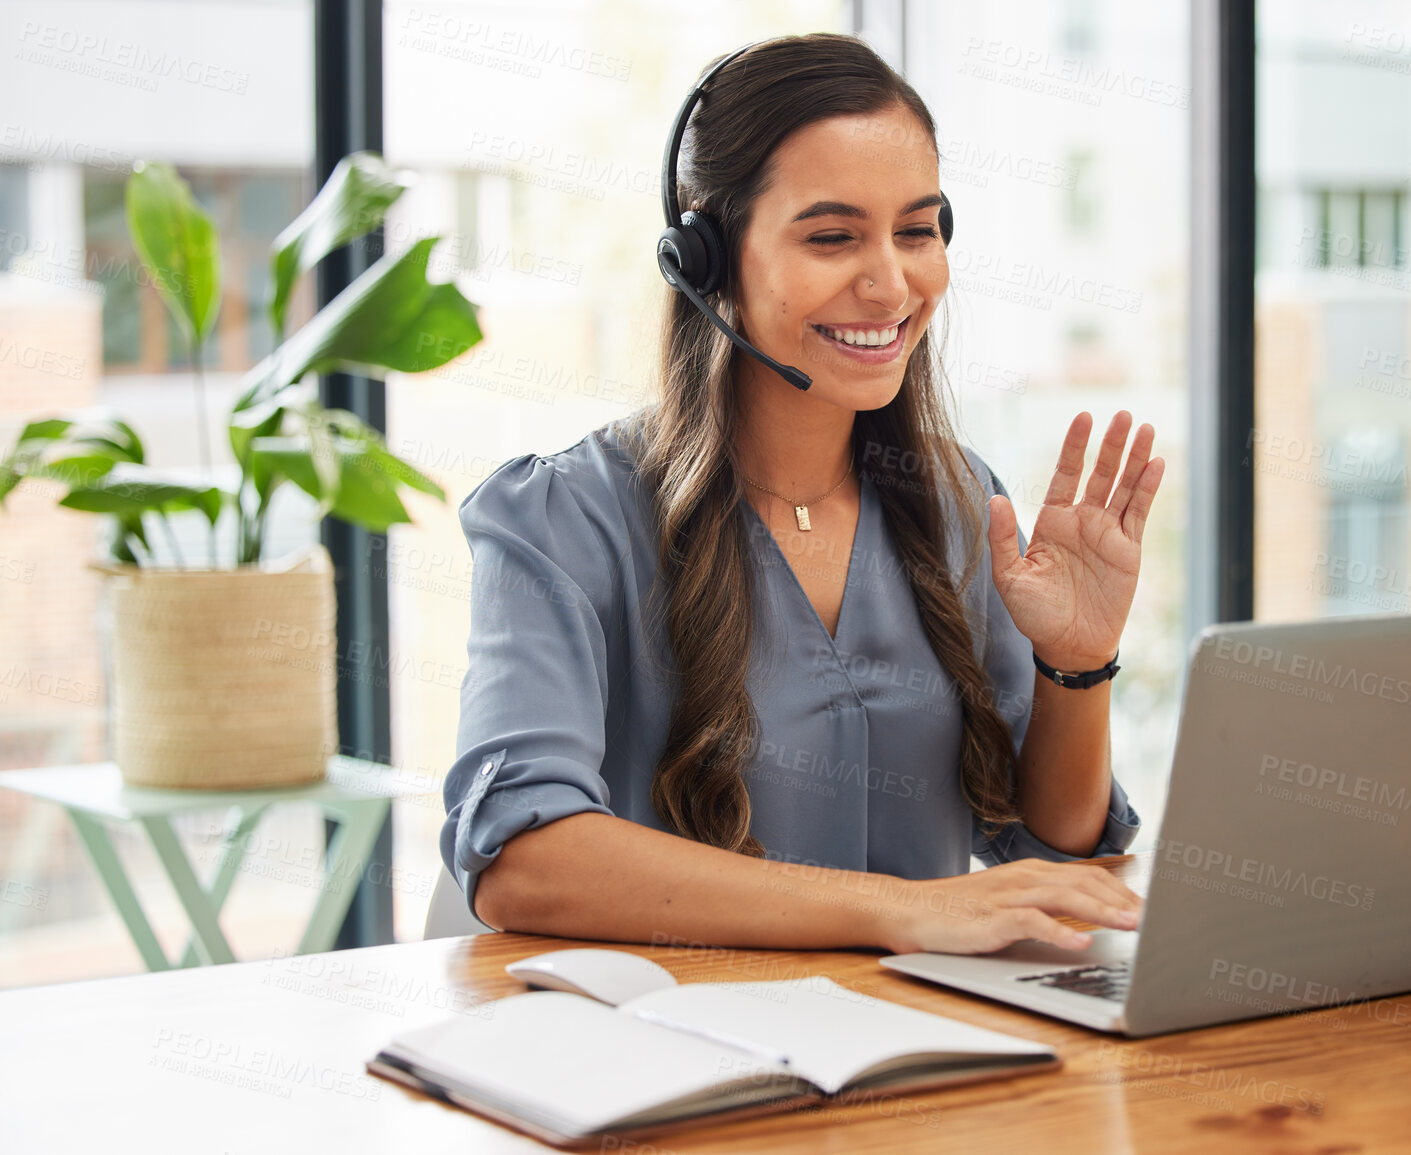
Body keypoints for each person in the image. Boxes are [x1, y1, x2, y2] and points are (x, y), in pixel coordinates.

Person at [441, 33, 1165, 956]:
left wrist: (1077, 662)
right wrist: (898, 908)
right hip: (680, 1059)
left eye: (917, 229)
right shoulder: (562, 521)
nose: (890, 282)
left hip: (928, 1058)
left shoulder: (951, 500)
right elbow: (519, 857)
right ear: (705, 258)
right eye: (831, 236)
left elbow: (1047, 845)